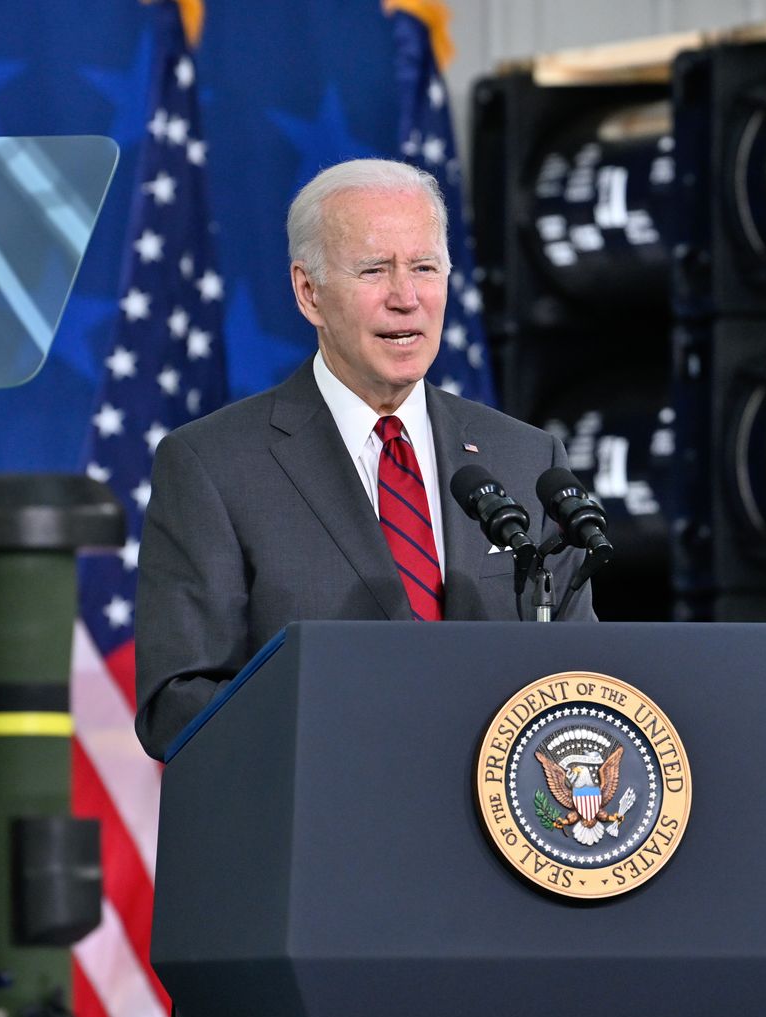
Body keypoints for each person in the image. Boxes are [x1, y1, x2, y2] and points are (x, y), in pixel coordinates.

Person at [132, 159, 596, 761]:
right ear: (309, 292)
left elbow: (583, 683)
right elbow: (178, 701)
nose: (406, 299)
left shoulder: (527, 458)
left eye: (424, 269)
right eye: (375, 271)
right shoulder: (214, 465)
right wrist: (355, 741)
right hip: (322, 827)